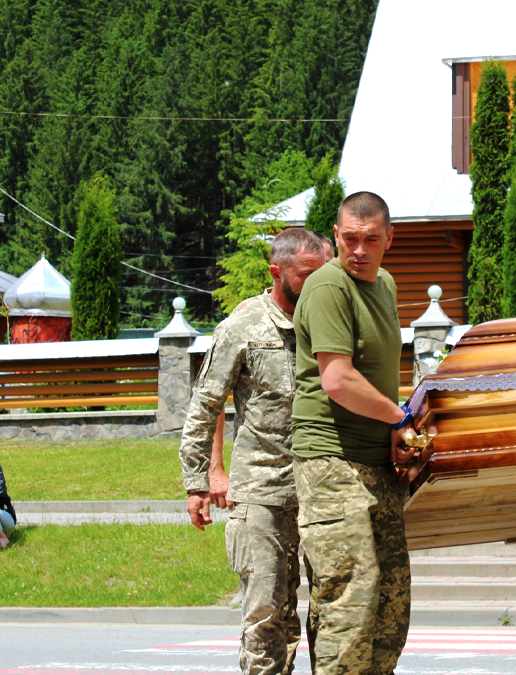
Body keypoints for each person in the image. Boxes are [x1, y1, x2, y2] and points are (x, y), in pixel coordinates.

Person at [179, 226, 326, 675]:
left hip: (320, 489)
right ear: (276, 272)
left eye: (322, 273)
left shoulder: (326, 320)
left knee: (316, 618)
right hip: (261, 491)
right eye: (306, 275)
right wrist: (199, 481)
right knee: (266, 616)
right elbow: (205, 404)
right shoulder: (243, 326)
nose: (316, 284)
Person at [292, 191, 410, 674]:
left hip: (376, 462)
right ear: (336, 235)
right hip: (330, 463)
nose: (360, 251)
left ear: (389, 239)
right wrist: (399, 418)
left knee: (391, 605)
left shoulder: (385, 285)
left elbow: (379, 374)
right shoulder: (328, 287)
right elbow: (338, 380)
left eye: (371, 240)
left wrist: (397, 429)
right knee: (350, 603)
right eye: (351, 239)